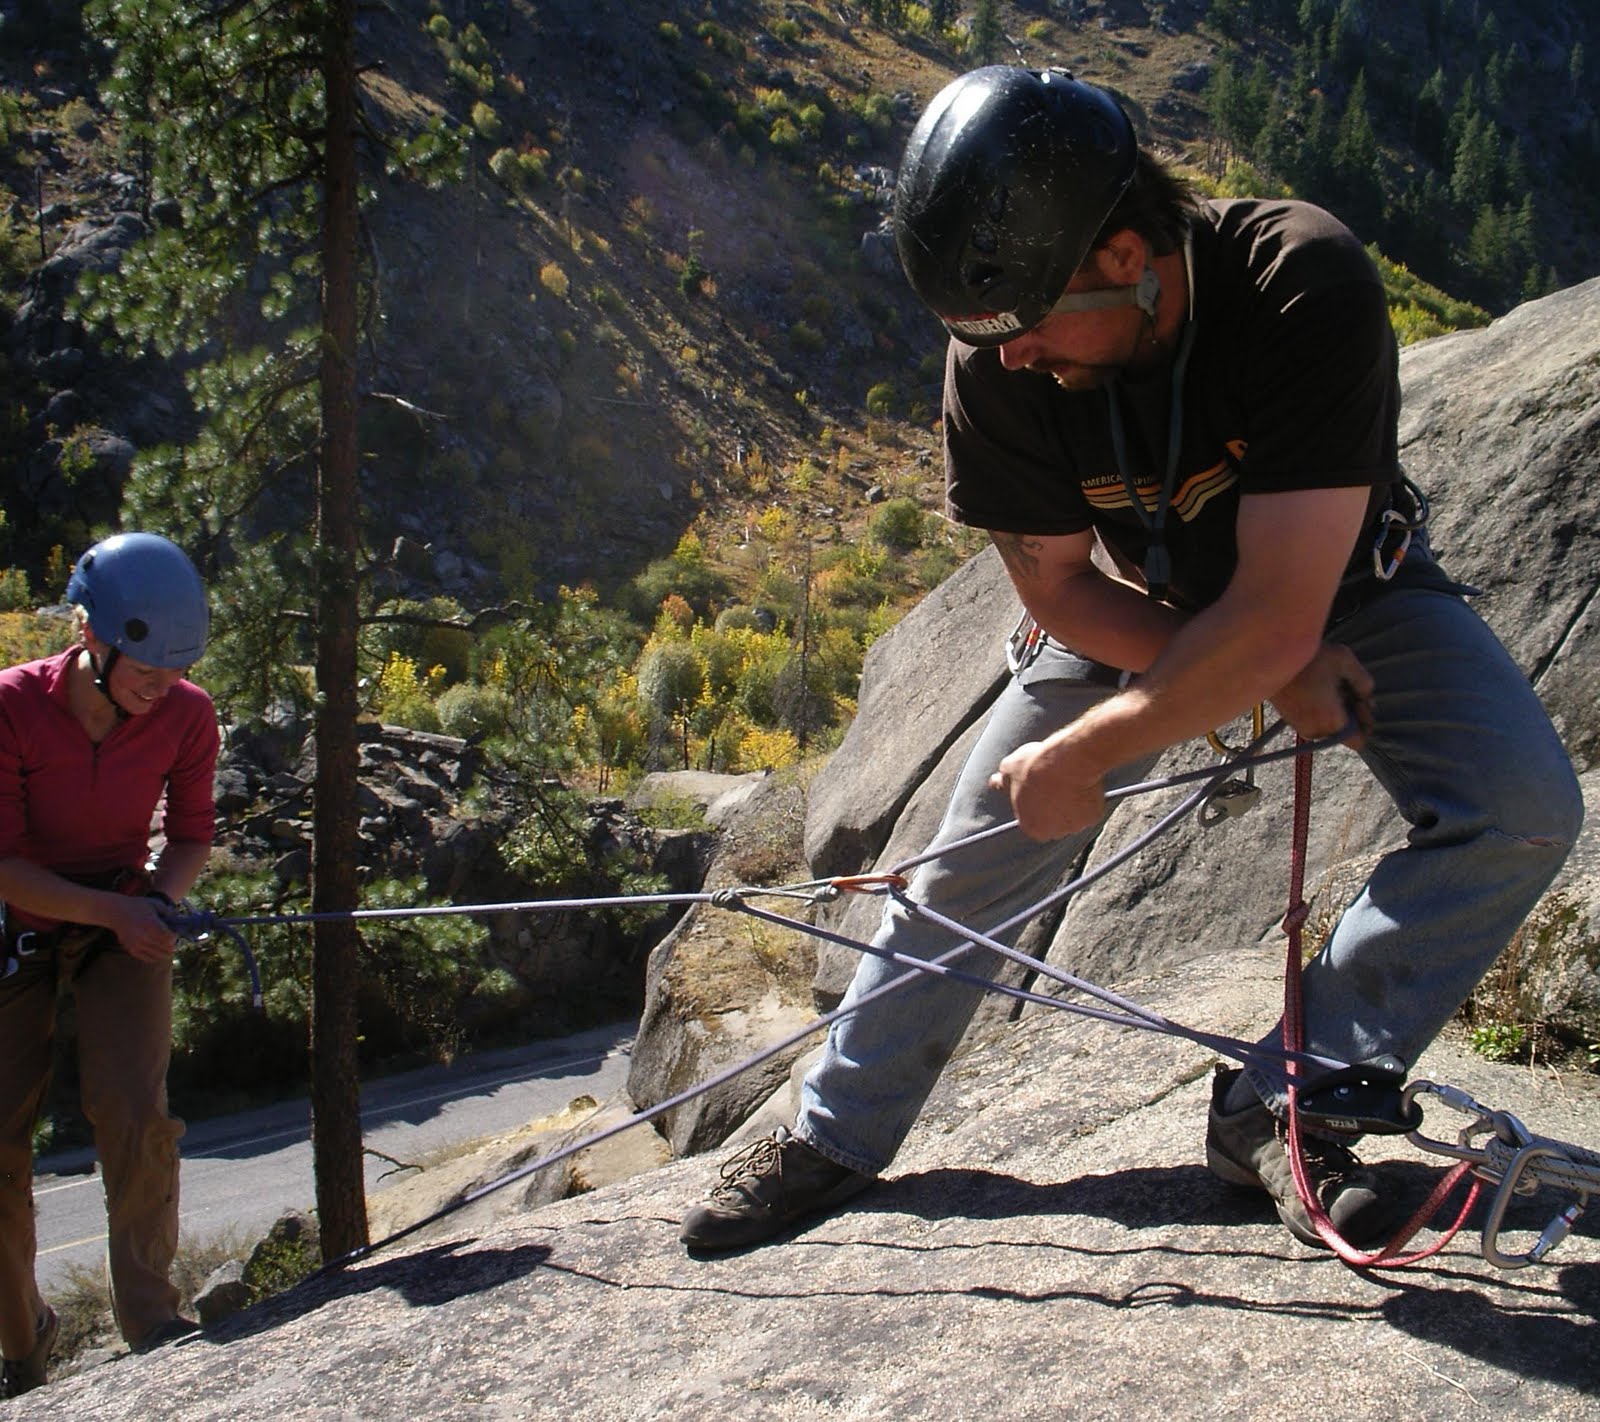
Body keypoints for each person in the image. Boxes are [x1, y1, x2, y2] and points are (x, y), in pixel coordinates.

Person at [680, 67, 1582, 1253]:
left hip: (1343, 591)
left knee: (1516, 807)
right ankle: (834, 1131)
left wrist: (1197, 697)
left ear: (1121, 256)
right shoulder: (998, 354)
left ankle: (1283, 1099)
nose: (1006, 362)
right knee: (976, 856)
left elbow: (1277, 611)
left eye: (1028, 328)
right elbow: (1057, 583)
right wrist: (1215, 687)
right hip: (1132, 605)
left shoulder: (1296, 281)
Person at [0, 532, 219, 1397]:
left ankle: (154, 1321)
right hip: (19, 925)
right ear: (91, 634)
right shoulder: (12, 707)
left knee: (135, 1114)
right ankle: (21, 1343)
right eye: (144, 668)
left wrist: (158, 901)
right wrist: (120, 911)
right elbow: (5, 864)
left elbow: (193, 833)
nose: (160, 686)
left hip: (124, 918)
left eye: (173, 671)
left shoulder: (187, 714)